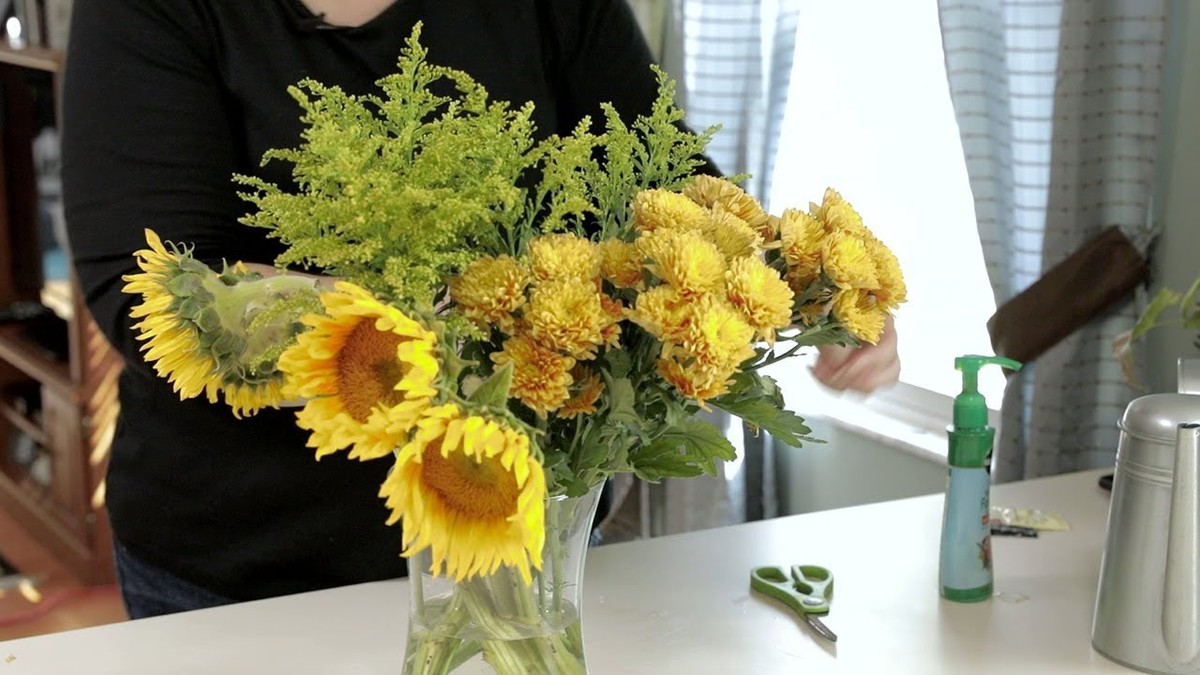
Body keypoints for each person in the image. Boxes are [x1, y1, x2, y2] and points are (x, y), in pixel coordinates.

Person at [62, 0, 900, 619]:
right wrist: (428, 327)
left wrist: (802, 286)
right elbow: (149, 291)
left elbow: (663, 176)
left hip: (533, 547)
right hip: (240, 575)